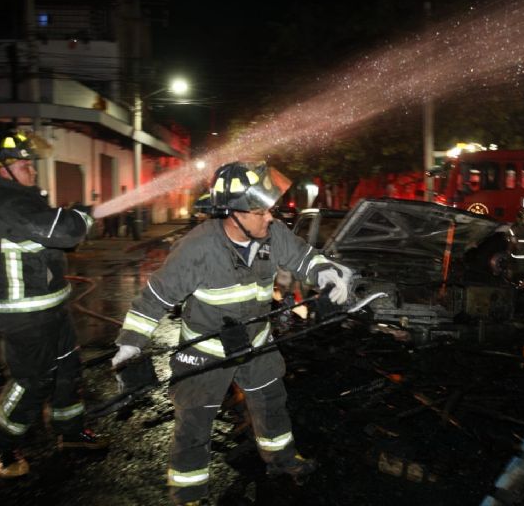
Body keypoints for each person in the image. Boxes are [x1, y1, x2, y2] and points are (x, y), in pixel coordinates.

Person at [111, 161, 353, 506]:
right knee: (194, 424)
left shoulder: (272, 235)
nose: (269, 217)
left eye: (268, 209)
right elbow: (154, 298)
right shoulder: (196, 249)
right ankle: (189, 494)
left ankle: (282, 461)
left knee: (271, 405)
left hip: (256, 342)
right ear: (233, 215)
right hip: (206, 352)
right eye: (260, 212)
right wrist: (130, 345)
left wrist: (325, 272)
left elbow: (303, 257)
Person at [0, 124, 108, 479]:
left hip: (49, 306)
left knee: (67, 370)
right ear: (2, 169)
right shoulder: (3, 204)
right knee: (32, 380)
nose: (32, 170)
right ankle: (1, 446)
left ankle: (71, 432)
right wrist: (80, 215)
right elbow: (62, 231)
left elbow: (46, 237)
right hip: (23, 314)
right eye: (24, 164)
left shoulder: (21, 200)